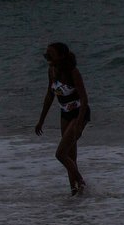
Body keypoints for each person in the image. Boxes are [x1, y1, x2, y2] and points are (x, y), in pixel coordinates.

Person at [34, 42, 90, 194]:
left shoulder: (73, 72)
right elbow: (49, 95)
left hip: (79, 114)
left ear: (62, 56)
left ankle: (82, 184)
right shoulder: (51, 70)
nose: (47, 56)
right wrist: (41, 120)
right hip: (65, 114)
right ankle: (75, 192)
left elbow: (84, 99)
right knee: (70, 156)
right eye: (47, 53)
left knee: (60, 154)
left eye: (51, 53)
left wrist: (79, 124)